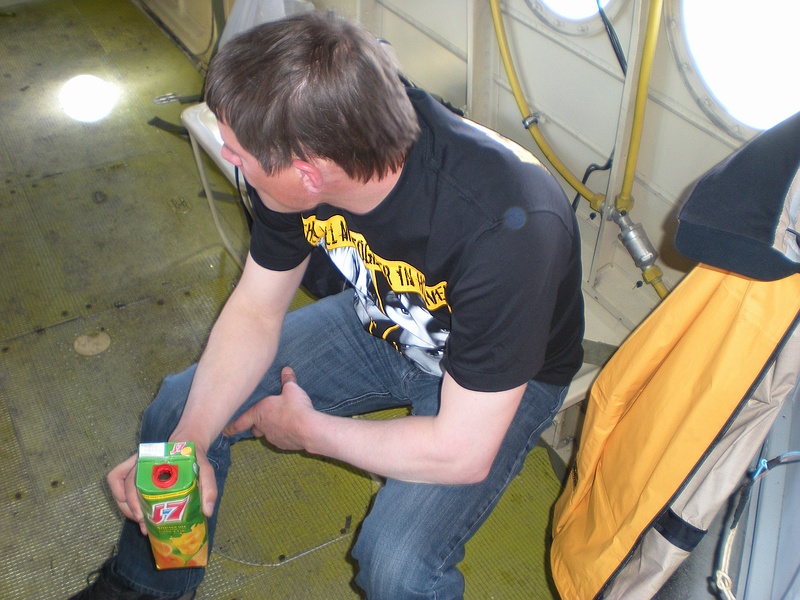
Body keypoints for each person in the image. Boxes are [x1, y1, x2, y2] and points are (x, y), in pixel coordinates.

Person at [70, 10, 584, 600]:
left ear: (308, 176)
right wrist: (188, 443)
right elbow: (256, 310)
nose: (231, 160)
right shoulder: (321, 139)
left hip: (503, 377)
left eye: (238, 154)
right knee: (175, 412)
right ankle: (149, 586)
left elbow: (461, 453)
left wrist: (310, 431)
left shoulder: (509, 230)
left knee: (395, 564)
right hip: (384, 318)